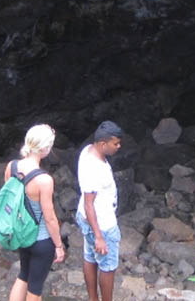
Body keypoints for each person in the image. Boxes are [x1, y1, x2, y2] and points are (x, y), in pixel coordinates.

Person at [6, 124, 66, 301]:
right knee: (35, 287)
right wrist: (58, 246)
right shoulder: (44, 180)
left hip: (22, 235)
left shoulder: (12, 167)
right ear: (46, 148)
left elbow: (11, 199)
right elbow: (49, 218)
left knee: (23, 275)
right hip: (41, 240)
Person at [76, 120, 124, 301]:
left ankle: (93, 299)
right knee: (108, 266)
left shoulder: (87, 150)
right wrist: (99, 236)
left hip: (86, 217)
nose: (118, 147)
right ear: (103, 143)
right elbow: (90, 203)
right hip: (101, 223)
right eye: (115, 143)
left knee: (90, 257)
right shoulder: (95, 168)